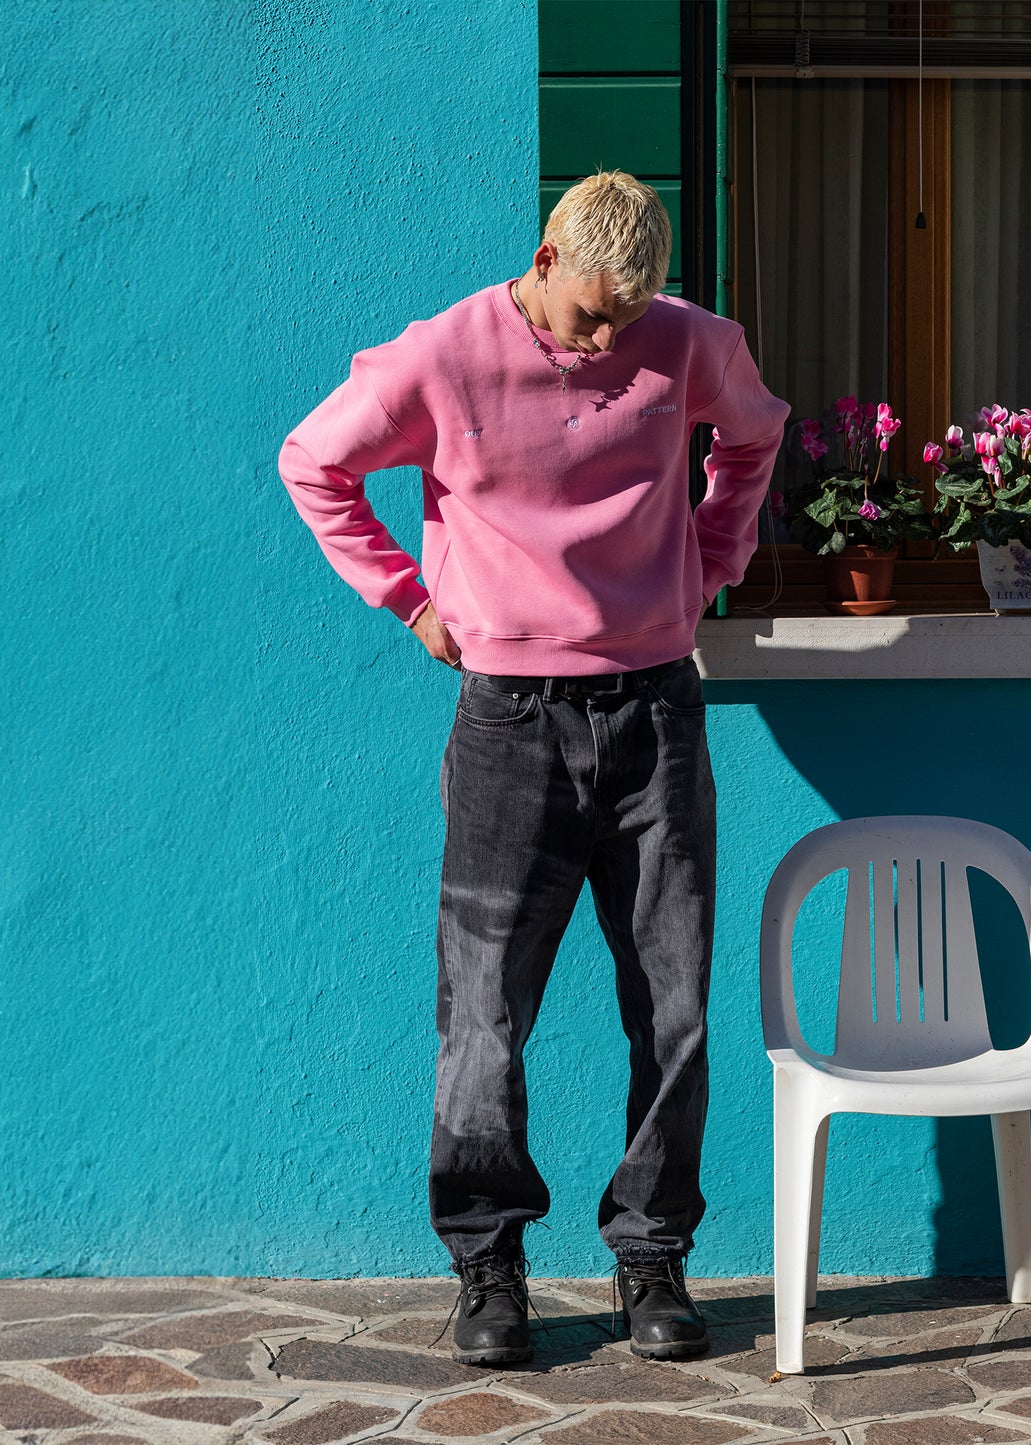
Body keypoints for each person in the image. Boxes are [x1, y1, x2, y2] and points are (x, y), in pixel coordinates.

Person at [278, 171, 789, 1366]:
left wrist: (714, 553)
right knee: (484, 1013)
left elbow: (755, 432)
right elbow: (314, 461)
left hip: (656, 711)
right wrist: (407, 597)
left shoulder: (688, 343)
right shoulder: (442, 355)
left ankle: (651, 1257)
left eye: (633, 316)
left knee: (670, 1007)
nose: (612, 341)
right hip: (510, 720)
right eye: (594, 313)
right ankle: (488, 1267)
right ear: (547, 256)